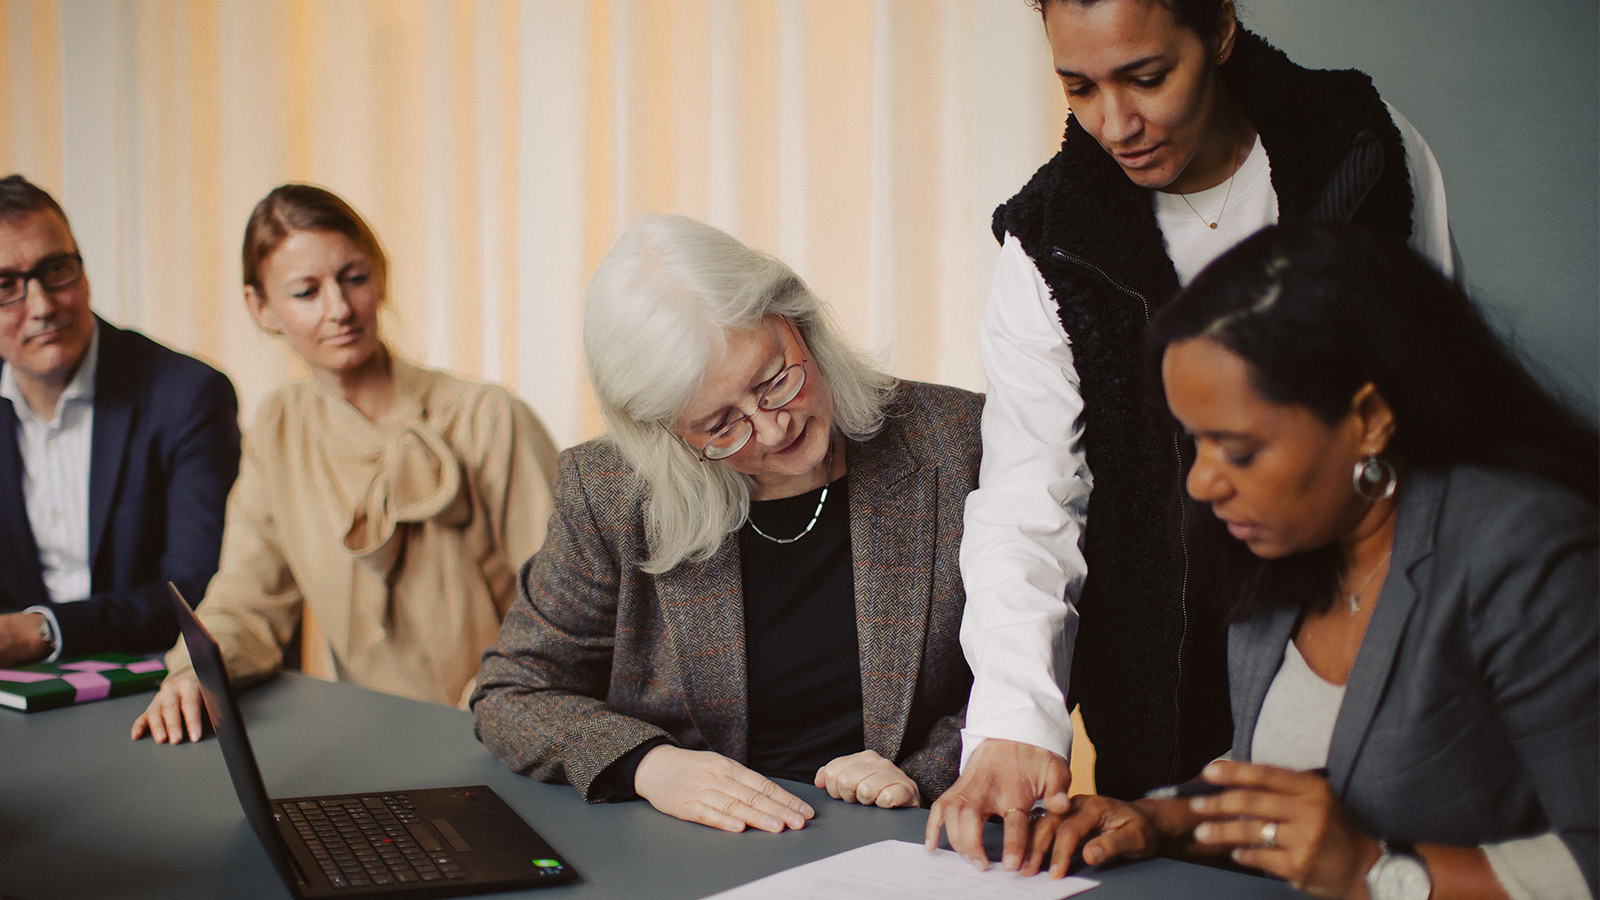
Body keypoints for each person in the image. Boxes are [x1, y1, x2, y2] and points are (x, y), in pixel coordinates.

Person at [932, 0, 1457, 868]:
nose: (1116, 123)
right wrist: (1015, 724)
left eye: (1147, 78)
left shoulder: (1363, 151)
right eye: (1079, 87)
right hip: (1162, 684)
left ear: (1217, 31)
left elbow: (1438, 410)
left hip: (1378, 647)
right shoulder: (1049, 239)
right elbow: (1031, 497)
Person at [1033, 224, 1598, 899]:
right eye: (1196, 442)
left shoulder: (1526, 553)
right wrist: (1160, 818)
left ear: (1367, 419)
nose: (1202, 483)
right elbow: (1282, 768)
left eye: (1238, 449)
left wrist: (1374, 874)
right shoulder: (1287, 545)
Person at [471, 215, 978, 833]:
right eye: (719, 426)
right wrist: (650, 766)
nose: (773, 429)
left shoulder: (956, 440)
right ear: (666, 435)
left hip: (908, 833)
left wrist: (922, 775)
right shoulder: (609, 490)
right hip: (697, 841)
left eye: (775, 382)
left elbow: (1043, 660)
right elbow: (514, 691)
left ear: (799, 322)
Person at [132, 183, 558, 743]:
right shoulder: (278, 427)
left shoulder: (488, 417)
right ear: (260, 307)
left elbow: (561, 613)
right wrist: (194, 672)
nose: (339, 309)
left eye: (353, 277)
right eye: (306, 292)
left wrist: (492, 710)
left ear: (379, 275)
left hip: (505, 726)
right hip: (367, 740)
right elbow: (249, 599)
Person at [0, 174, 240, 665]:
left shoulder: (188, 395)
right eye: (6, 286)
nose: (42, 306)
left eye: (57, 270)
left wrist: (43, 631)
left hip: (157, 682)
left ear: (83, 272)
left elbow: (201, 590)